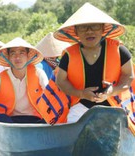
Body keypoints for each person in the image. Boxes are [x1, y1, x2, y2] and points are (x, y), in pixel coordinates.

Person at [53, 3, 135, 133]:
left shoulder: (120, 50)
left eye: (95, 27)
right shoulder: (68, 55)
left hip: (114, 105)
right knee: (73, 132)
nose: (89, 31)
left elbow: (129, 75)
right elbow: (61, 81)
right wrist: (81, 93)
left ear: (103, 29)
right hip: (81, 106)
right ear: (76, 32)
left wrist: (113, 90)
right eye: (83, 27)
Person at [0, 37, 48, 123]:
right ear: (8, 58)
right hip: (10, 119)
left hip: (35, 118)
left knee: (48, 120)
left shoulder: (39, 73)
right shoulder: (0, 77)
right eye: (13, 54)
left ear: (28, 56)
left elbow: (49, 92)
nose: (17, 57)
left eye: (22, 53)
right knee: (1, 118)